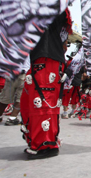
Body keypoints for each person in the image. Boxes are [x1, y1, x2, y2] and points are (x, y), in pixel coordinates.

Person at [20, 9, 73, 159]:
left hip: (47, 60)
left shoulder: (55, 7)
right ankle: (38, 141)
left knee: (43, 102)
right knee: (31, 102)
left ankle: (46, 145)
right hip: (41, 59)